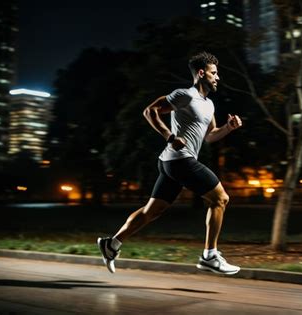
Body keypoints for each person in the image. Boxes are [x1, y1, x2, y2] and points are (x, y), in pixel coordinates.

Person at [97, 51, 242, 275]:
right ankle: (209, 256)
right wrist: (170, 137)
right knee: (220, 199)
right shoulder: (184, 95)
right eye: (214, 73)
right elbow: (150, 110)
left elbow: (210, 135)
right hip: (179, 160)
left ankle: (111, 244)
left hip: (171, 163)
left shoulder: (209, 104)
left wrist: (228, 128)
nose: (217, 77)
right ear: (201, 73)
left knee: (150, 212)